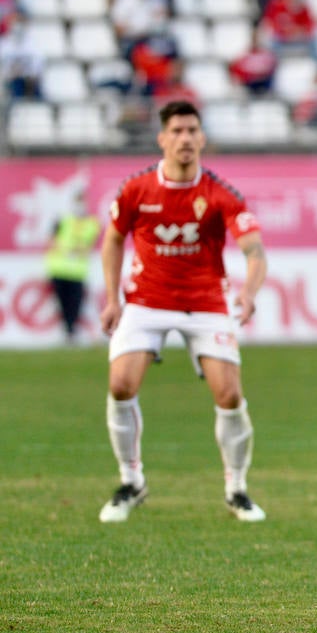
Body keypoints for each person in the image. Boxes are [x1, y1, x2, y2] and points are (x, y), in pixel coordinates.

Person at [97, 100, 269, 524]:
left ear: (202, 138)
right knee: (120, 384)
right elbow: (113, 240)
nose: (185, 138)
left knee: (228, 395)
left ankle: (237, 489)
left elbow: (255, 249)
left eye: (192, 130)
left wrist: (247, 292)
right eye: (176, 131)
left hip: (206, 300)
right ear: (162, 139)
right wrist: (112, 297)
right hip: (146, 299)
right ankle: (131, 481)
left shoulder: (220, 193)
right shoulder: (136, 189)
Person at [45, 191, 101, 343]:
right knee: (62, 303)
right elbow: (51, 241)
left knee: (75, 303)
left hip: (77, 272)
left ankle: (71, 331)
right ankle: (67, 331)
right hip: (59, 269)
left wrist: (76, 250)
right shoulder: (63, 220)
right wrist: (65, 249)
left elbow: (90, 245)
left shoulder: (92, 223)